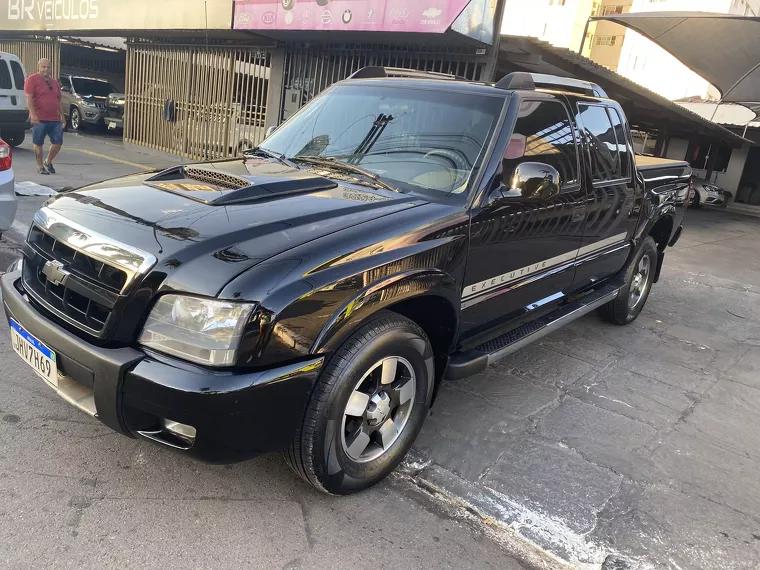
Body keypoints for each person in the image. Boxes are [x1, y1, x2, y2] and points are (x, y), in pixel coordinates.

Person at [24, 58, 66, 175]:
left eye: (48, 67)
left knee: (58, 143)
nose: (46, 69)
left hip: (54, 119)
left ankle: (48, 161)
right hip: (39, 118)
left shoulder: (54, 83)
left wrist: (62, 116)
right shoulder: (32, 80)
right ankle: (40, 166)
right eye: (44, 67)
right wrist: (33, 114)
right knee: (38, 143)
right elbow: (29, 98)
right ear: (39, 67)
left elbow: (58, 100)